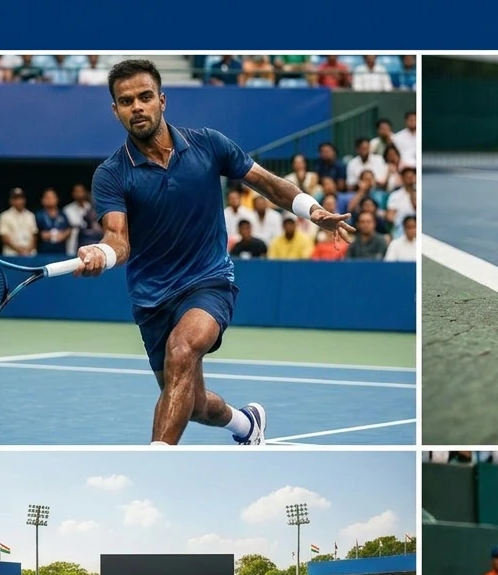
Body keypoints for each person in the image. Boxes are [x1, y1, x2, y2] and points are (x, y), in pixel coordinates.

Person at [77, 59, 355, 446]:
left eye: (144, 97)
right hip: (152, 298)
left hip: (208, 282)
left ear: (162, 99)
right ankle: (245, 425)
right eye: (126, 101)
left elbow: (267, 183)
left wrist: (314, 211)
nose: (137, 107)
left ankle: (154, 463)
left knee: (182, 348)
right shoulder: (111, 173)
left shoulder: (207, 143)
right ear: (116, 110)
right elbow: (118, 238)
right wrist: (101, 254)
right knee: (191, 403)